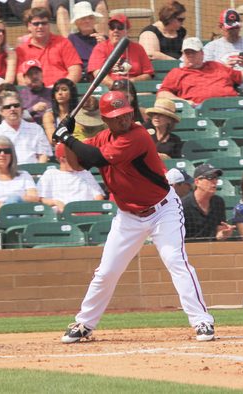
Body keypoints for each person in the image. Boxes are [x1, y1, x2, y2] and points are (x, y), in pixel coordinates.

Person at [52, 90, 216, 343]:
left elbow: (96, 159)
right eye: (116, 117)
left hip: (163, 210)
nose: (124, 120)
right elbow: (77, 164)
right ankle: (84, 323)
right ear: (105, 119)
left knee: (175, 260)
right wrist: (66, 139)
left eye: (126, 114)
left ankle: (202, 321)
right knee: (106, 271)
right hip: (128, 215)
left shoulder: (137, 135)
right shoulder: (102, 137)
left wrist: (68, 137)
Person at [158, 37, 243, 107]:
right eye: (187, 52)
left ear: (202, 53)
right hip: (205, 110)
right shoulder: (177, 73)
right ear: (183, 54)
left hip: (235, 104)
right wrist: (184, 102)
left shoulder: (215, 65)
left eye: (194, 52)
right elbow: (162, 94)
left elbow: (241, 75)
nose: (190, 55)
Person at [0, 136, 39, 233]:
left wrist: (6, 204)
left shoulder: (24, 175)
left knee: (24, 215)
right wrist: (13, 201)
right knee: (22, 212)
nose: (2, 154)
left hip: (23, 215)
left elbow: (34, 198)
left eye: (6, 151)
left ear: (12, 155)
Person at [15, 7, 83, 86]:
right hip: (35, 95)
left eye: (44, 23)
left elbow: (76, 72)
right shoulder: (21, 50)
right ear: (29, 26)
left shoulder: (64, 43)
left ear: (49, 25)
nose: (40, 26)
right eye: (36, 24)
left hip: (61, 93)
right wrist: (41, 91)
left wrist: (58, 88)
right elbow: (20, 79)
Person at [88, 14, 155, 88]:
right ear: (109, 31)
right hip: (107, 89)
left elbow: (148, 75)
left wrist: (127, 84)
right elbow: (97, 73)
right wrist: (117, 87)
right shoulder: (100, 48)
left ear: (128, 32)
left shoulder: (138, 48)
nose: (115, 30)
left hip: (134, 89)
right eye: (112, 27)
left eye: (120, 27)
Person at [0, 91, 53, 164]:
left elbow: (43, 156)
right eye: (8, 107)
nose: (12, 109)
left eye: (16, 105)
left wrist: (35, 173)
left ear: (21, 108)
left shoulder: (36, 129)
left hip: (33, 172)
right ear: (1, 111)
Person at [37, 143, 105, 212]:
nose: (77, 161)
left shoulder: (84, 172)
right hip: (62, 214)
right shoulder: (50, 174)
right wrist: (56, 203)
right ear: (62, 160)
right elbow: (40, 199)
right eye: (73, 158)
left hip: (86, 212)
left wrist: (91, 209)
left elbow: (98, 196)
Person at [182, 163, 236, 242]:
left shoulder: (218, 202)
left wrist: (223, 234)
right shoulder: (182, 205)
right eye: (210, 177)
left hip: (213, 250)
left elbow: (219, 235)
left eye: (216, 178)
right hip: (190, 251)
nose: (215, 181)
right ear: (197, 182)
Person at [67, 2, 107, 72]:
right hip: (79, 74)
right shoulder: (72, 39)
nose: (88, 21)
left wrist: (105, 47)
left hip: (101, 72)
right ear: (76, 23)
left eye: (91, 18)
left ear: (94, 21)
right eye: (83, 18)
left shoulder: (104, 39)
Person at [42, 78, 79, 145]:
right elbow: (53, 140)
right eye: (56, 90)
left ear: (72, 92)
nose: (59, 93)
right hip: (58, 151)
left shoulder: (79, 114)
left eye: (64, 89)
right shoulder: (49, 116)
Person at [18, 60, 52, 126]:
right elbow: (16, 115)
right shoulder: (19, 95)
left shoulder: (53, 93)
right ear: (24, 78)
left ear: (42, 74)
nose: (34, 76)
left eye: (37, 72)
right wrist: (32, 109)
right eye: (30, 74)